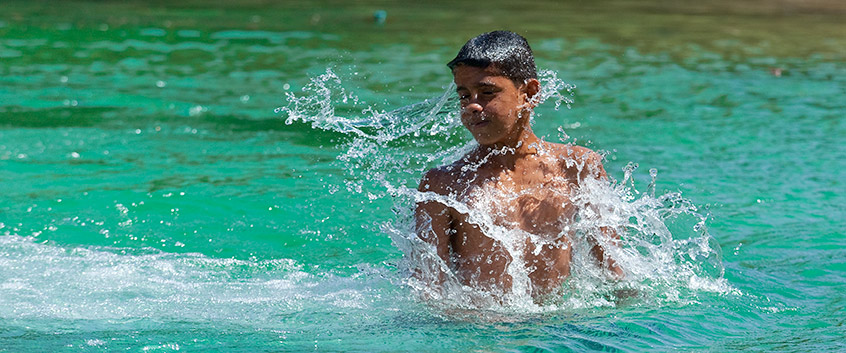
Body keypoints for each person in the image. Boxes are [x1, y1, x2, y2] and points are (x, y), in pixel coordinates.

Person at [415, 31, 623, 299]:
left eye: (487, 92)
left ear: (529, 93)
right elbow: (426, 291)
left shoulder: (578, 166)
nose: (472, 106)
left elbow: (612, 271)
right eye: (464, 96)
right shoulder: (444, 185)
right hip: (480, 331)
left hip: (556, 328)